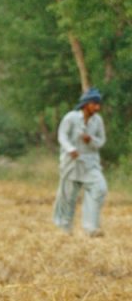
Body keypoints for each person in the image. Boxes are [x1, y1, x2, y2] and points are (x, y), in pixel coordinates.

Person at [54, 86, 107, 237]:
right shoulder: (71, 118)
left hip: (90, 163)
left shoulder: (98, 120)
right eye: (94, 104)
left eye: (98, 104)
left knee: (100, 189)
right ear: (86, 104)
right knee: (68, 196)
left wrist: (91, 140)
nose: (97, 107)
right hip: (71, 163)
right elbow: (62, 136)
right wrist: (70, 149)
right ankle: (64, 228)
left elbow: (101, 141)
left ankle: (90, 227)